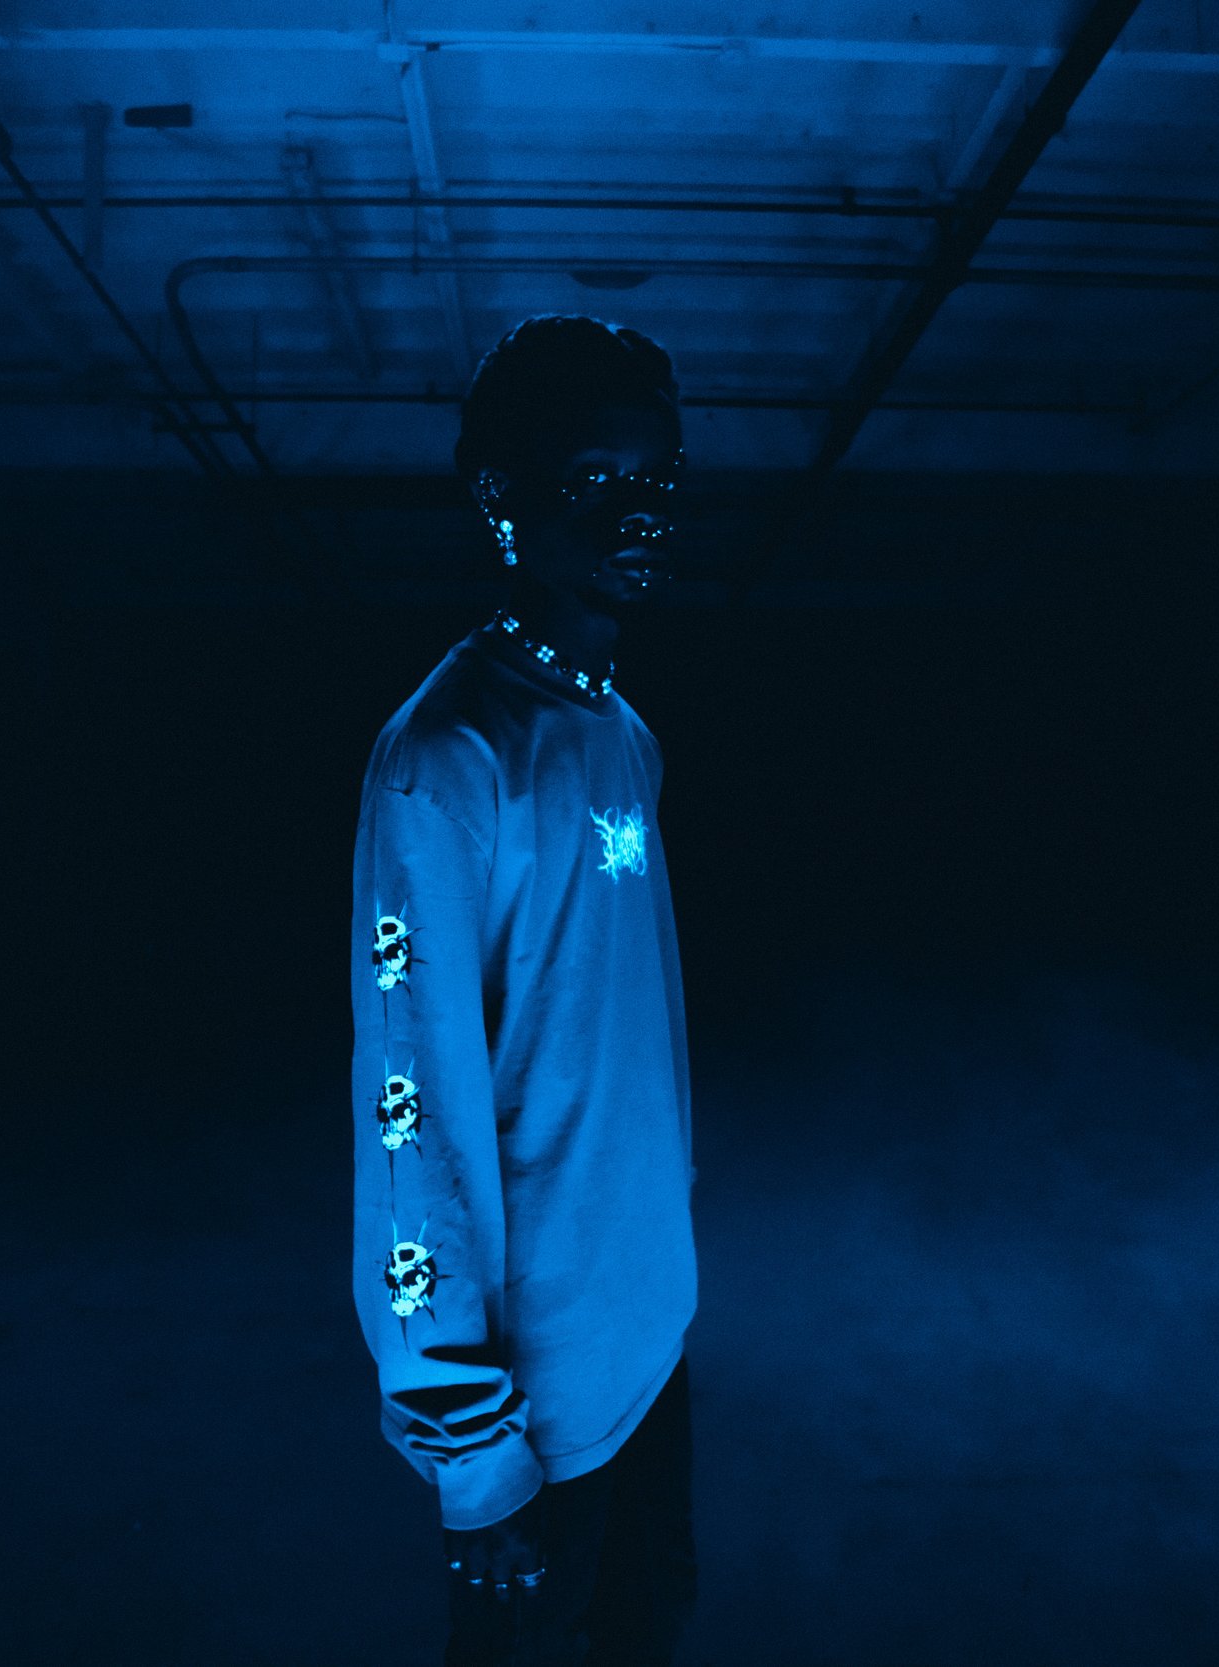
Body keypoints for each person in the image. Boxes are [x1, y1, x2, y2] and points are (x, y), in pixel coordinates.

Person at [350, 314, 701, 1666]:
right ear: (502, 497)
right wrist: (470, 1449)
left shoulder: (623, 735)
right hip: (535, 1407)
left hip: (648, 1343)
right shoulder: (443, 761)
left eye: (659, 479)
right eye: (599, 480)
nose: (643, 513)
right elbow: (410, 1112)